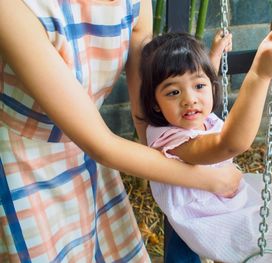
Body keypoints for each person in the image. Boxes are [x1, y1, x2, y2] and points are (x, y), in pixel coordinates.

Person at [0, 1, 240, 262]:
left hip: (86, 155)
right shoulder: (13, 8)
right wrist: (213, 180)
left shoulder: (134, 4)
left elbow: (145, 121)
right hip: (19, 163)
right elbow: (101, 145)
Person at [139, 31, 272, 263]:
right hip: (213, 221)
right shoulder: (172, 141)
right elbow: (228, 144)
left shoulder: (192, 115)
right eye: (174, 92)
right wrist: (259, 74)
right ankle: (265, 248)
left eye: (198, 85)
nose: (190, 99)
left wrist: (214, 55)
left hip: (222, 198)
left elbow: (206, 81)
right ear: (155, 104)